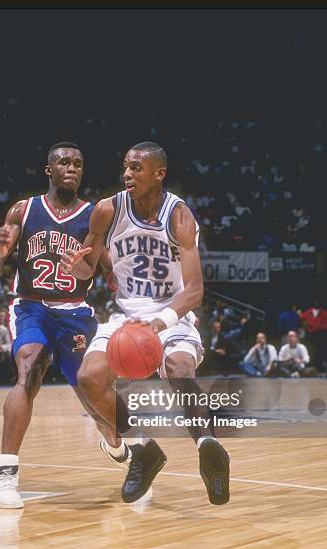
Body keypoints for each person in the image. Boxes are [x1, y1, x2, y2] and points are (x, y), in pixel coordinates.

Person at [61, 141, 230, 505]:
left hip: (172, 312)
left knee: (179, 370)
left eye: (136, 168)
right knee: (89, 378)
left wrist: (159, 322)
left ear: (159, 173)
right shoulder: (108, 210)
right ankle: (143, 450)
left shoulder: (179, 216)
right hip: (125, 315)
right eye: (125, 167)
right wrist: (78, 270)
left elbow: (195, 291)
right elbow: (89, 268)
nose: (127, 174)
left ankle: (208, 447)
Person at [0, 142, 114, 508]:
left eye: (78, 163)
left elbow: (110, 272)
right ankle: (5, 472)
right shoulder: (24, 210)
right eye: (64, 162)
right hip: (32, 307)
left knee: (91, 392)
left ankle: (119, 445)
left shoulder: (94, 216)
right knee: (30, 366)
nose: (71, 168)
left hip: (75, 311)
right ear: (49, 170)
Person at [300, 299, 327, 370]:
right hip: (310, 334)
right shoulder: (308, 312)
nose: (316, 303)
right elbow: (301, 319)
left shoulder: (324, 313)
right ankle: (310, 366)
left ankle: (319, 367)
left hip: (320, 335)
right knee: (310, 350)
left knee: (319, 351)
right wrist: (306, 326)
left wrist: (319, 328)